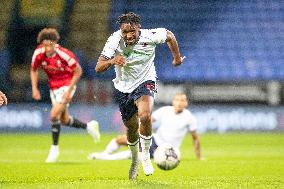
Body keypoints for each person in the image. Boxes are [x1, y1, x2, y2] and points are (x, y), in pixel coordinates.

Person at [96, 12, 185, 179]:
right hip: (123, 88)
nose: (129, 35)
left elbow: (170, 36)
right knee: (131, 128)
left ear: (139, 28)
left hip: (146, 80)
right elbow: (98, 67)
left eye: (132, 32)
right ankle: (135, 159)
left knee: (145, 116)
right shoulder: (114, 40)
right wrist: (112, 60)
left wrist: (177, 58)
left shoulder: (151, 35)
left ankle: (145, 157)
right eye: (125, 32)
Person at [30, 28, 101, 163]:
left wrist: (69, 90)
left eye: (51, 45)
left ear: (55, 43)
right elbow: (33, 69)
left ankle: (54, 149)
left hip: (67, 85)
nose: (48, 48)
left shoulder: (64, 54)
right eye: (45, 45)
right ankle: (89, 127)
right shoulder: (38, 53)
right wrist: (35, 88)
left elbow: (78, 71)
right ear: (42, 44)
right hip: (54, 88)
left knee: (53, 115)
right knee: (63, 119)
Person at [88, 93, 201, 161]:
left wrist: (198, 157)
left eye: (182, 100)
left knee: (134, 154)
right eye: (177, 100)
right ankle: (105, 153)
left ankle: (102, 157)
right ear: (173, 102)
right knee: (120, 139)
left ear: (186, 103)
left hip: (166, 149)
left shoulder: (189, 117)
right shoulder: (166, 110)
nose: (179, 103)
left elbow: (195, 138)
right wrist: (137, 131)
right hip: (155, 139)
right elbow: (148, 120)